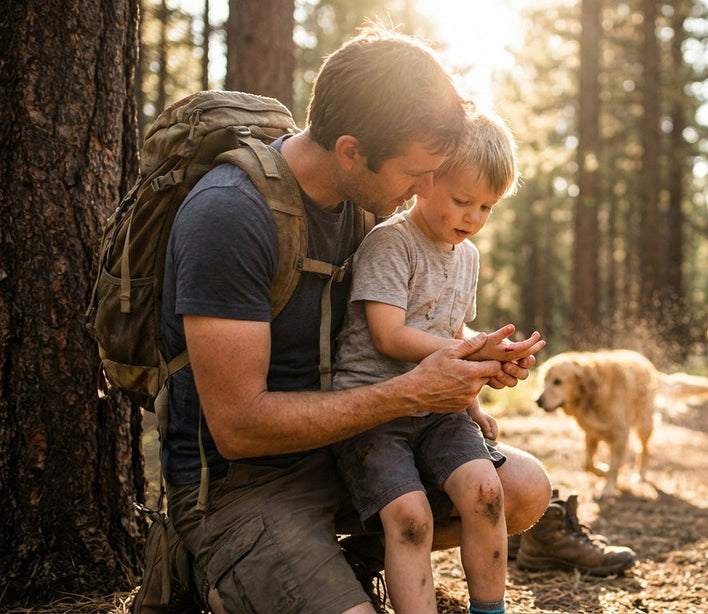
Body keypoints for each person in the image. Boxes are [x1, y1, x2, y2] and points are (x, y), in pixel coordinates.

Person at [160, 25, 552, 614]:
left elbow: (416, 322)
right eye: (416, 172)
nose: (427, 189)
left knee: (520, 489)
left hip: (346, 445)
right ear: (350, 151)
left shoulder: (367, 202)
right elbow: (238, 428)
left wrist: (477, 354)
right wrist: (411, 391)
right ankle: (220, 571)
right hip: (244, 482)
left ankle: (346, 562)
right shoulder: (231, 215)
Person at [331, 111, 539, 614]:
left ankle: (489, 609)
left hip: (440, 408)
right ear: (425, 182)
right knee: (411, 518)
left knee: (486, 492)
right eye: (462, 201)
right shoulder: (392, 242)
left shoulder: (467, 256)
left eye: (486, 207)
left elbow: (450, 331)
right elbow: (388, 335)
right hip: (377, 411)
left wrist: (484, 365)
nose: (473, 218)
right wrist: (468, 351)